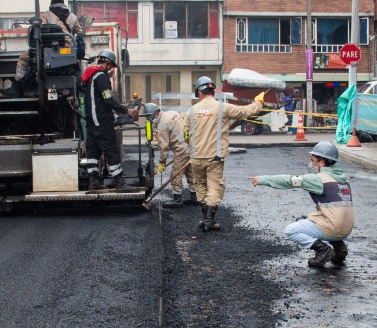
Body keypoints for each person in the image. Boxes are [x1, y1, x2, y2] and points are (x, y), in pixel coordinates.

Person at [251, 140, 355, 268]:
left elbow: (288, 181)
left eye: (313, 160)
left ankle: (323, 251)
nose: (310, 163)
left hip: (333, 227)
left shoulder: (319, 179)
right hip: (347, 228)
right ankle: (339, 247)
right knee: (311, 218)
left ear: (322, 162)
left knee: (291, 230)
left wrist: (262, 179)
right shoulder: (344, 179)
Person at [186, 75, 266, 232]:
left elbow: (186, 133)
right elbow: (245, 112)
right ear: (212, 92)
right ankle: (209, 221)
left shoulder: (191, 111)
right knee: (214, 187)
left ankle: (205, 219)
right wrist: (259, 103)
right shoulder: (222, 107)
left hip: (196, 157)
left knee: (201, 186)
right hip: (214, 157)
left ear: (199, 93)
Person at [81, 49, 136, 187]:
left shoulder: (90, 77)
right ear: (106, 62)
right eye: (111, 65)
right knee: (111, 151)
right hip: (102, 123)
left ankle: (93, 181)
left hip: (91, 123)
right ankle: (120, 182)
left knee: (93, 153)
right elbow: (108, 99)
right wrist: (125, 110)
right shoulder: (101, 77)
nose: (111, 69)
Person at [9, 0, 84, 96]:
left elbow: (39, 30)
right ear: (63, 3)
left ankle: (16, 87)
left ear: (51, 3)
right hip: (67, 51)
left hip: (47, 51)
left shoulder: (45, 15)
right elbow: (78, 33)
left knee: (24, 58)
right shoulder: (73, 17)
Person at [142, 101, 190, 206]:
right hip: (190, 146)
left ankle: (177, 199)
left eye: (148, 117)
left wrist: (162, 163)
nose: (148, 120)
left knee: (175, 173)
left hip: (182, 150)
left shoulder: (162, 125)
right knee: (189, 172)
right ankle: (195, 196)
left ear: (153, 114)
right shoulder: (172, 113)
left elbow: (164, 148)